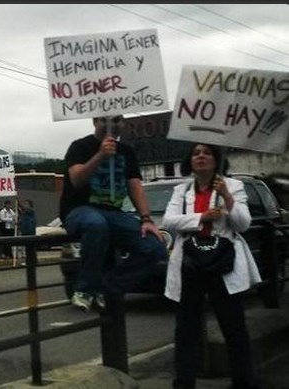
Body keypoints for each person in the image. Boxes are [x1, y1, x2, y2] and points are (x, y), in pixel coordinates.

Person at [162, 143, 261, 389]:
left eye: (207, 152)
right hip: (190, 263)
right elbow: (169, 221)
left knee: (233, 325)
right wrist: (202, 218)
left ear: (217, 159)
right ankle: (184, 382)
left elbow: (243, 224)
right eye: (196, 153)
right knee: (186, 327)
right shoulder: (182, 189)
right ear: (190, 160)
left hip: (223, 262)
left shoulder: (234, 186)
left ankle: (244, 381)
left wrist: (227, 196)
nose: (201, 156)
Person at [59, 114, 166, 313]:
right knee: (96, 224)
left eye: (117, 120)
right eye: (106, 120)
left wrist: (146, 219)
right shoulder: (79, 146)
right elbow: (76, 179)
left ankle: (109, 286)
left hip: (114, 214)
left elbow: (135, 184)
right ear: (94, 122)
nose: (113, 125)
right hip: (80, 211)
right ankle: (84, 288)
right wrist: (100, 155)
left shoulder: (126, 151)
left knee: (155, 247)